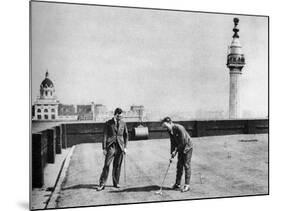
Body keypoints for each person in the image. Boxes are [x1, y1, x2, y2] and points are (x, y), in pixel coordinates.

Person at [96, 108, 129, 191]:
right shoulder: (108, 123)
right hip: (111, 147)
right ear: (115, 114)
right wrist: (104, 148)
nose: (119, 118)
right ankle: (102, 183)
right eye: (118, 116)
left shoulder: (123, 123)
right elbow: (104, 135)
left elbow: (126, 135)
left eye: (121, 116)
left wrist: (125, 147)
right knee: (106, 165)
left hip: (120, 147)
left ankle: (116, 182)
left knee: (117, 165)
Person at [161, 117, 193, 192]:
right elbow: (173, 142)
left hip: (187, 147)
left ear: (170, 123)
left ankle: (187, 185)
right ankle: (177, 184)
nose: (166, 128)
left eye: (166, 126)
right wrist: (172, 153)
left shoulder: (179, 128)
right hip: (181, 147)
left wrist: (175, 152)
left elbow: (183, 142)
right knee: (179, 165)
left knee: (186, 165)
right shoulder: (170, 131)